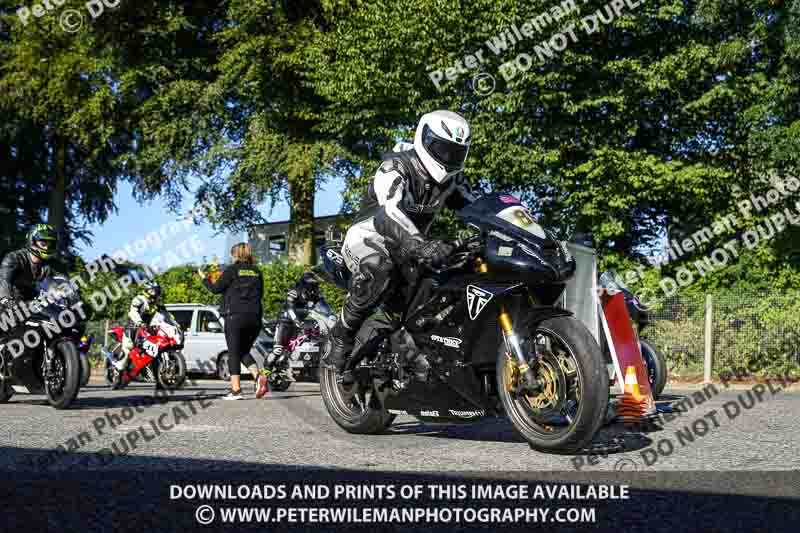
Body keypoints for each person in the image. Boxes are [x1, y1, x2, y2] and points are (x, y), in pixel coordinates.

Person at [325, 110, 476, 380]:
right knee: (378, 268)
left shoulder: (453, 181)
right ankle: (342, 334)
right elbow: (389, 213)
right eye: (442, 149)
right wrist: (421, 244)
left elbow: (479, 207)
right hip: (370, 238)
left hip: (414, 250)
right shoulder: (395, 167)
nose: (449, 158)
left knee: (456, 280)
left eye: (456, 152)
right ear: (424, 139)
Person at [201, 243, 268, 400]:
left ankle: (236, 390)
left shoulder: (232, 270)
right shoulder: (257, 272)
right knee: (242, 351)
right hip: (255, 318)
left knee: (233, 352)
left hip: (235, 317)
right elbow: (261, 294)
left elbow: (216, 288)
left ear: (236, 255)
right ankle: (258, 377)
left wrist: (205, 279)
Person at [267, 271, 323, 381]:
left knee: (290, 349)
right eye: (311, 284)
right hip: (286, 322)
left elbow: (322, 306)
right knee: (278, 349)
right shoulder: (294, 292)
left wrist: (328, 316)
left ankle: (293, 365)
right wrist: (297, 321)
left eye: (315, 284)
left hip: (300, 323)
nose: (313, 287)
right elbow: (289, 308)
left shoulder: (315, 294)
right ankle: (264, 373)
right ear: (305, 283)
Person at [115, 280, 168, 374]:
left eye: (157, 291)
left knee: (156, 349)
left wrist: (173, 324)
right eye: (154, 290)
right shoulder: (139, 299)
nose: (156, 293)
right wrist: (140, 322)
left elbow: (166, 315)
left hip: (148, 328)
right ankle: (118, 369)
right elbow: (133, 312)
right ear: (148, 290)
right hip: (134, 327)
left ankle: (157, 377)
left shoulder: (157, 303)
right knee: (128, 348)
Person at [0, 224, 57, 310]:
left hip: (31, 306)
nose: (47, 247)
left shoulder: (49, 266)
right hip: (9, 304)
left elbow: (59, 281)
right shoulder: (14, 258)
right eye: (43, 243)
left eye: (50, 244)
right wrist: (6, 300)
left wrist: (67, 293)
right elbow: (4, 281)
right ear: (32, 241)